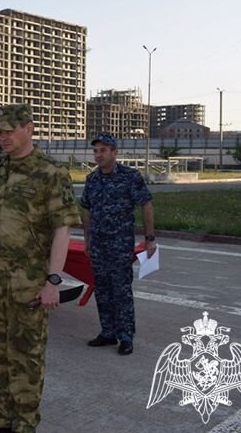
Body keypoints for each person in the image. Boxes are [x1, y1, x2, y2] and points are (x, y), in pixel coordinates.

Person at [0, 104, 81, 433]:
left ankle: (24, 424)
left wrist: (53, 281)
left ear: (28, 128)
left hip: (28, 282)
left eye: (9, 130)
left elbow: (63, 228)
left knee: (26, 356)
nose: (3, 137)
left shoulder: (49, 172)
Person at [80, 133, 156, 356]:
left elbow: (146, 204)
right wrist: (87, 239)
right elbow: (86, 208)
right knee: (101, 290)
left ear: (115, 152)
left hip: (120, 245)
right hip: (98, 244)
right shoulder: (92, 179)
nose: (98, 155)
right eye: (96, 151)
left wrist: (150, 237)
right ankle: (108, 332)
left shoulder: (130, 177)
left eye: (103, 150)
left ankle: (125, 336)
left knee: (121, 291)